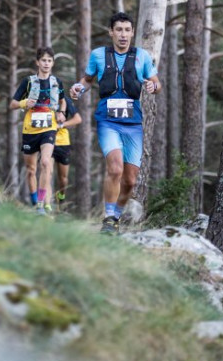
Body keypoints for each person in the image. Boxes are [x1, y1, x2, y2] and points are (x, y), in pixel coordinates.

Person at [69, 12, 161, 234]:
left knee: (130, 181)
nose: (123, 35)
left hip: (133, 123)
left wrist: (153, 87)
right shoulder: (99, 55)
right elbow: (88, 80)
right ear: (111, 32)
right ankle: (109, 217)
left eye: (127, 30)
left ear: (132, 32)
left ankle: (116, 216)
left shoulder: (142, 57)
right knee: (115, 168)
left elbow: (156, 82)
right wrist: (78, 88)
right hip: (108, 121)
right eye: (118, 30)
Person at [9, 47, 66, 215]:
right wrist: (23, 103)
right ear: (37, 62)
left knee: (46, 163)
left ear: (53, 63)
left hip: (49, 128)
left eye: (49, 60)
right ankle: (35, 202)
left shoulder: (57, 82)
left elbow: (62, 101)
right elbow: (12, 104)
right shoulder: (28, 81)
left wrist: (61, 112)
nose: (46, 63)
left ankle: (41, 203)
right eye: (43, 60)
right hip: (30, 129)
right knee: (31, 170)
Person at [52, 96, 82, 209]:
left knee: (63, 178)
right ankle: (44, 204)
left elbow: (78, 119)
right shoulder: (43, 99)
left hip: (63, 142)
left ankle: (61, 197)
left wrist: (61, 125)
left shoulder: (65, 101)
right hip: (47, 140)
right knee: (47, 171)